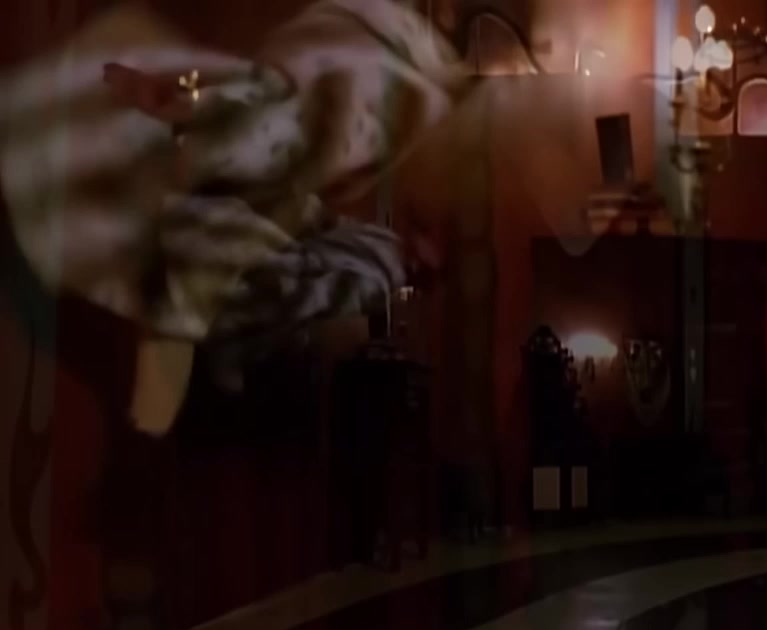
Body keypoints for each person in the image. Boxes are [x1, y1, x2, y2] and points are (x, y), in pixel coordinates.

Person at [0, 0, 462, 434]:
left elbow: (291, 258)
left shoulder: (361, 244)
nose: (365, 134)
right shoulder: (292, 129)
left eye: (381, 131)